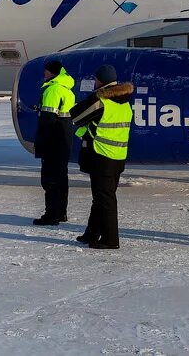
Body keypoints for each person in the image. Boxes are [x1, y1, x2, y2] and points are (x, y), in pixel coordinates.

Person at [70, 64, 134, 250]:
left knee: (105, 198)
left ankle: (110, 239)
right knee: (101, 197)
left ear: (99, 80)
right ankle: (91, 233)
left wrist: (93, 96)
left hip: (101, 156)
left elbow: (76, 116)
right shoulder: (124, 100)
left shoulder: (101, 100)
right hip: (117, 156)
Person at [32, 60, 75, 226]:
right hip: (64, 139)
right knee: (61, 177)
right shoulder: (67, 90)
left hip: (52, 140)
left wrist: (41, 142)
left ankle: (51, 215)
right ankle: (61, 212)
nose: (44, 74)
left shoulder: (52, 89)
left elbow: (48, 119)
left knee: (49, 178)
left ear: (52, 73)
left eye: (46, 71)